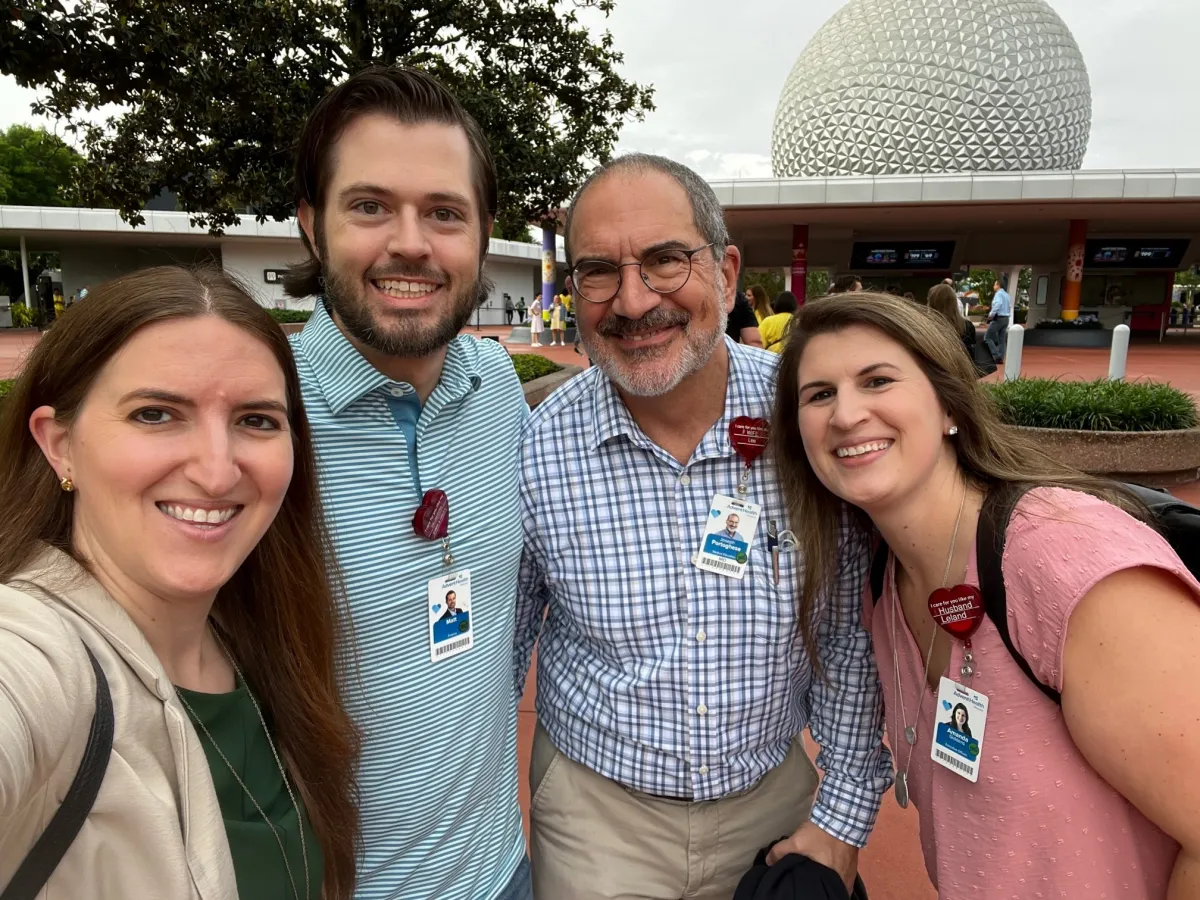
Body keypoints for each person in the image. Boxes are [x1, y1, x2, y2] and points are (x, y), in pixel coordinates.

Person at [516, 153, 891, 900]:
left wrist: (844, 817)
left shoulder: (808, 421)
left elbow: (848, 633)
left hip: (775, 798)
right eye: (598, 271)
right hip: (597, 820)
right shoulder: (536, 445)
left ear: (723, 272)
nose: (631, 301)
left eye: (664, 261)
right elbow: (505, 643)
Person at [774, 291, 1200, 900]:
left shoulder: (1059, 555)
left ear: (949, 405)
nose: (845, 415)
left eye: (877, 381)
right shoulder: (882, 583)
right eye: (819, 394)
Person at [0, 266, 359, 899]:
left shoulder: (256, 636)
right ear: (59, 445)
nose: (218, 473)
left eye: (256, 420)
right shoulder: (37, 657)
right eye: (157, 413)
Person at [283, 67, 531, 900]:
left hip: (504, 873)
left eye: (444, 212)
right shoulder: (251, 415)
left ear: (483, 234)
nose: (412, 242)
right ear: (311, 226)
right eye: (370, 206)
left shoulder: (496, 389)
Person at [925, 282, 978, 366]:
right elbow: (971, 355)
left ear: (931, 302)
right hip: (962, 373)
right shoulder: (967, 325)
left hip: (935, 373)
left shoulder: (925, 326)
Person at [759, 289, 798, 353]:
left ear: (777, 304)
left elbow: (759, 343)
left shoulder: (768, 321)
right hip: (791, 359)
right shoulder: (798, 321)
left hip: (771, 358)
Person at [985, 278, 1012, 363]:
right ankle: (1000, 357)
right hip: (1006, 318)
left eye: (994, 284)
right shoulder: (1007, 295)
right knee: (1002, 339)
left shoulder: (998, 294)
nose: (993, 286)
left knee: (987, 337)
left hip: (999, 318)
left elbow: (997, 305)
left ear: (998, 285)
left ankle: (996, 355)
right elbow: (1009, 306)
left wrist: (990, 316)